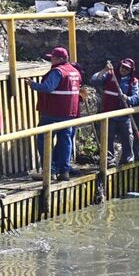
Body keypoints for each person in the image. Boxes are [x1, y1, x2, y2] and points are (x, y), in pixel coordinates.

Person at [29, 46, 82, 181]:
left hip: (53, 112)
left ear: (59, 59)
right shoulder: (74, 71)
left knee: (43, 139)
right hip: (70, 114)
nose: (50, 60)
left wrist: (32, 84)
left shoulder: (58, 72)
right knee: (65, 141)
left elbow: (48, 87)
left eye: (52, 58)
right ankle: (64, 172)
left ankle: (49, 171)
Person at [90, 57, 139, 165]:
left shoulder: (133, 81)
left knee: (128, 137)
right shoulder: (110, 75)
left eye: (127, 69)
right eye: (123, 67)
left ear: (131, 71)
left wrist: (127, 98)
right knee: (108, 137)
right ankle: (109, 160)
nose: (124, 69)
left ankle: (127, 159)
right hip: (108, 114)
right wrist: (105, 70)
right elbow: (94, 80)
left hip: (124, 115)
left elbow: (136, 98)